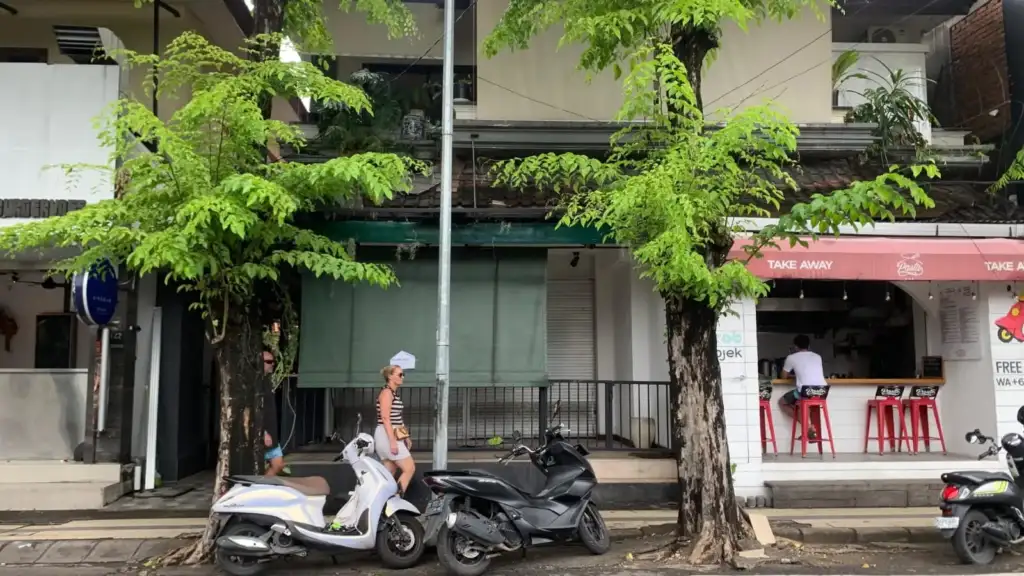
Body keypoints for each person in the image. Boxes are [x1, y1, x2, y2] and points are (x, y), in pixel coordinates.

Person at [374, 365, 414, 496]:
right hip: (387, 435)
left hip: (390, 434)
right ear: (390, 376)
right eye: (399, 374)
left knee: (389, 472)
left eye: (403, 374)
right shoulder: (386, 393)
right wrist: (392, 442)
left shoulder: (391, 393)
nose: (402, 377)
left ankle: (380, 501)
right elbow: (385, 418)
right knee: (409, 468)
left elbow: (396, 418)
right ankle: (395, 500)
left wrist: (405, 436)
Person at [777, 334, 827, 440]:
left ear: (795, 347)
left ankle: (808, 428)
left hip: (805, 392)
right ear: (809, 345)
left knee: (783, 402)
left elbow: (783, 376)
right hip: (822, 392)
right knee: (802, 403)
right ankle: (808, 427)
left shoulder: (791, 357)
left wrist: (793, 375)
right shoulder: (817, 356)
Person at [262, 350, 288, 476]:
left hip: (272, 434)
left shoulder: (267, 381)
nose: (272, 364)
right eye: (268, 362)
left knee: (278, 464)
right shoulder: (257, 385)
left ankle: (260, 486)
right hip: (264, 435)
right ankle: (258, 487)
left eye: (273, 362)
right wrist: (263, 432)